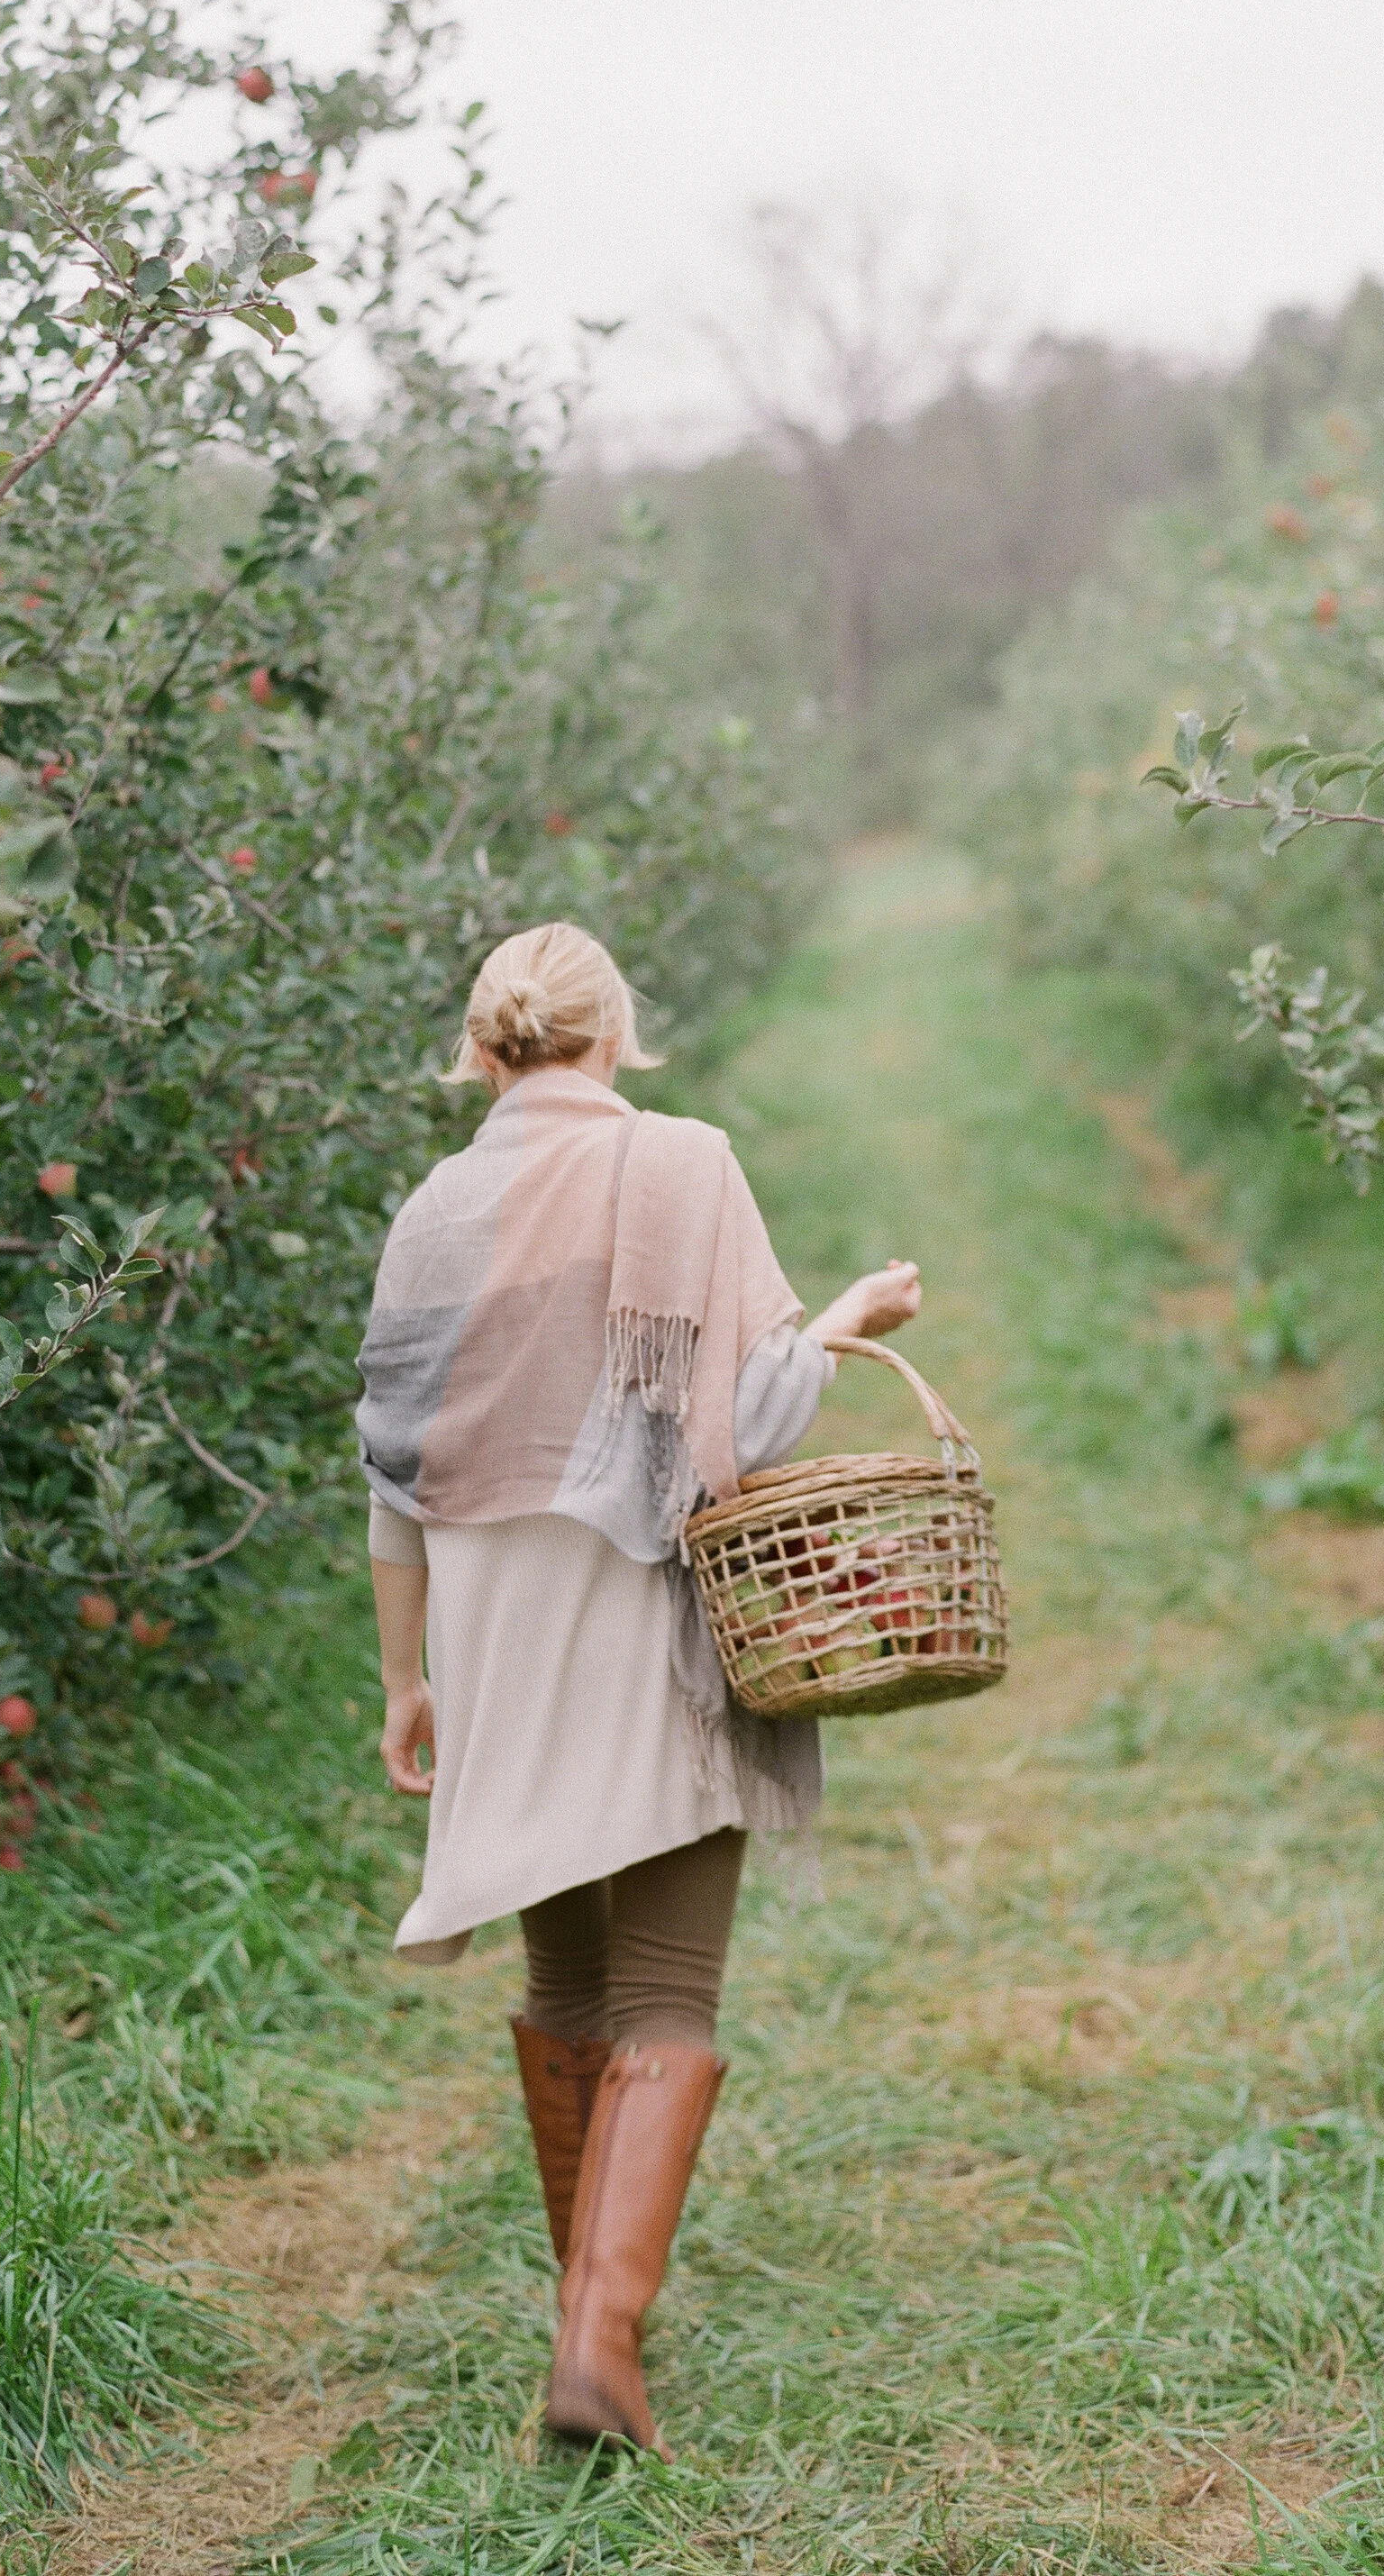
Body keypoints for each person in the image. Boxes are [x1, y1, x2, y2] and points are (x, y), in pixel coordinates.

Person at [355, 920, 920, 2453]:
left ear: (483, 1053)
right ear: (619, 1038)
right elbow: (750, 1411)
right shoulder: (683, 1163)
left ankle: (587, 2330)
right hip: (651, 1621)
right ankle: (598, 2346)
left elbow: (393, 1477)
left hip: (498, 1644)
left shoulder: (433, 1211)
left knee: (568, 1986)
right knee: (669, 1992)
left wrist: (409, 1678)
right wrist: (842, 1324)